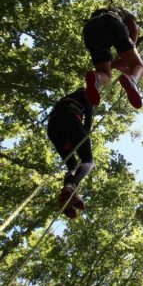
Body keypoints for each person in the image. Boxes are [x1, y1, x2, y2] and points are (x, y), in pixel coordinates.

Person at [82, 7, 143, 109]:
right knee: (138, 66)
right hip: (112, 23)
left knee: (105, 75)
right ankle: (133, 80)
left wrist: (115, 63)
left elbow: (121, 64)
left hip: (90, 29)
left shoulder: (97, 12)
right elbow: (134, 29)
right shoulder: (122, 10)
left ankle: (96, 77)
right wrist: (130, 49)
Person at [46, 88, 94, 218]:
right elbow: (88, 116)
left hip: (53, 126)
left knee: (72, 166)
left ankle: (68, 190)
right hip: (70, 118)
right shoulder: (87, 93)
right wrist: (84, 135)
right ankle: (71, 186)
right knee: (88, 161)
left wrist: (69, 139)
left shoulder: (66, 98)